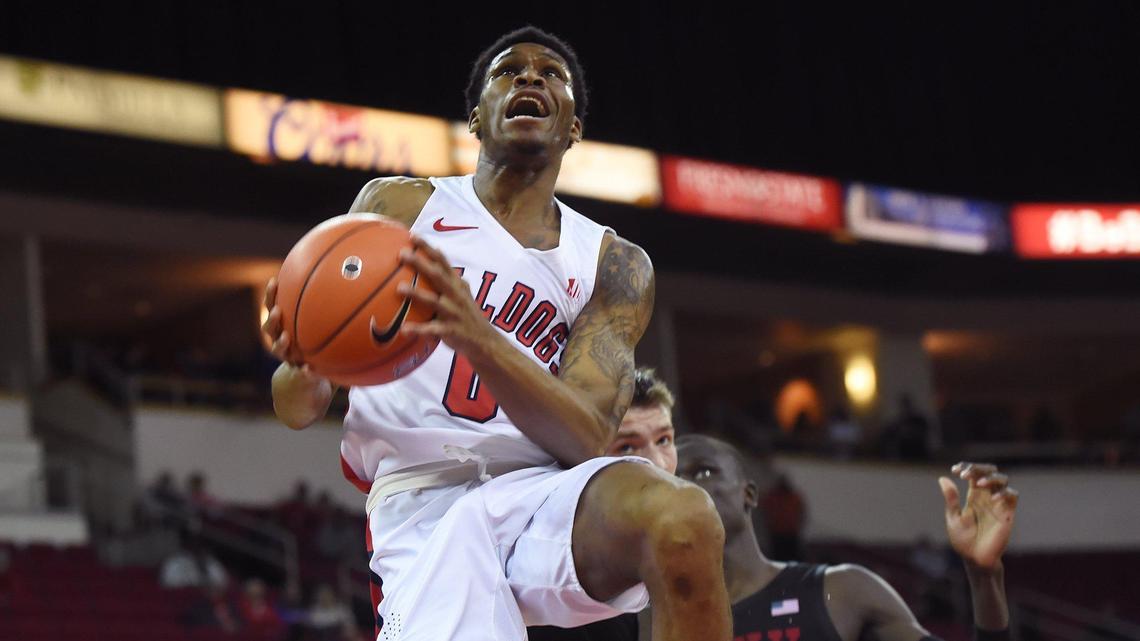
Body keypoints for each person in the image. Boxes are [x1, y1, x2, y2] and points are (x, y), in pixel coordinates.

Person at [261, 26, 730, 641]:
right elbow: (297, 408)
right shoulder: (402, 206)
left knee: (682, 516)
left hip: (540, 496)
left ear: (573, 129)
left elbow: (589, 436)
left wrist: (475, 334)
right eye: (508, 71)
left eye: (551, 74)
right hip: (420, 505)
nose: (531, 77)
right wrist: (306, 355)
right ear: (477, 118)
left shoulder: (613, 263)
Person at [674, 435, 1016, 641]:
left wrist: (983, 577)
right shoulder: (648, 623)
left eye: (704, 471)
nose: (686, 485)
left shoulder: (842, 590)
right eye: (671, 479)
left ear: (749, 493)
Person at [528, 366, 677, 640]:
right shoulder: (539, 566)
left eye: (664, 440)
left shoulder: (687, 550)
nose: (656, 463)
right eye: (627, 447)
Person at [760, 474, 806, 561]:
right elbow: (764, 509)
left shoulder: (794, 497)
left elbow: (801, 513)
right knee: (779, 559)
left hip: (790, 533)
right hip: (777, 534)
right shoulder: (773, 497)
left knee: (792, 558)